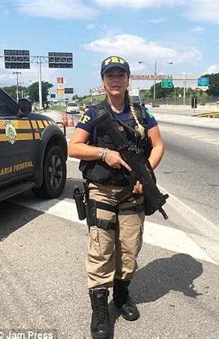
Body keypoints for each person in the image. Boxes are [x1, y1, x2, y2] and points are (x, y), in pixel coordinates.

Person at [69, 56, 164, 338]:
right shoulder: (93, 113)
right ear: (103, 80)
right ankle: (99, 308)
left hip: (132, 193)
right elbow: (74, 147)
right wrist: (103, 153)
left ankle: (121, 295)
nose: (115, 79)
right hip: (102, 191)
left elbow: (158, 145)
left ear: (128, 79)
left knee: (130, 249)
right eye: (110, 75)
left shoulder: (140, 112)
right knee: (101, 250)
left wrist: (144, 175)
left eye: (120, 74)